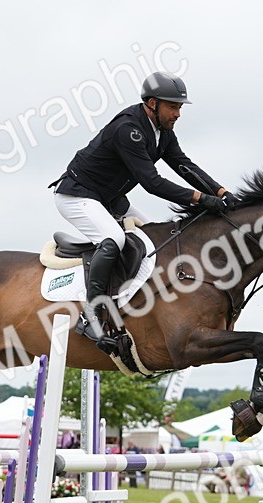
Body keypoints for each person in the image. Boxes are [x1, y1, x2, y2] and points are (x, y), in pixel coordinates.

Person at [51, 71, 235, 353]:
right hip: (76, 195)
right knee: (114, 239)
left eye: (180, 107)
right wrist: (202, 199)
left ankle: (137, 307)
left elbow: (184, 166)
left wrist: (221, 193)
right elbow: (152, 183)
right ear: (152, 103)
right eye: (173, 106)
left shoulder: (163, 133)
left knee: (155, 243)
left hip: (109, 199)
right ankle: (91, 315)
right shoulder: (129, 129)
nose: (177, 114)